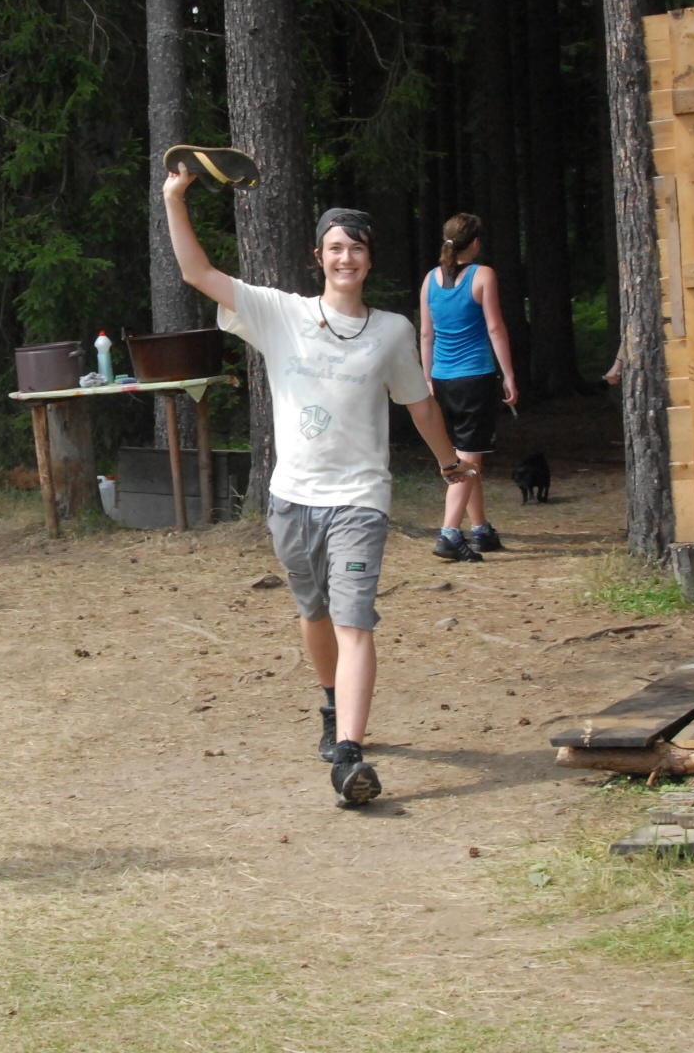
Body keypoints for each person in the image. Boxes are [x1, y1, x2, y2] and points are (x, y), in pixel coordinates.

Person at [162, 164, 474, 808]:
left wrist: (449, 463)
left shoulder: (392, 331)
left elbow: (419, 404)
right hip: (292, 499)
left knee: (355, 620)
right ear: (319, 257)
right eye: (335, 247)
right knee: (316, 613)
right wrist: (174, 196)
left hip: (360, 499)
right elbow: (197, 273)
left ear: (369, 259)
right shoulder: (280, 314)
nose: (346, 257)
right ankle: (332, 706)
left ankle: (351, 755)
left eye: (356, 247)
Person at [417, 213, 519, 563]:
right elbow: (495, 328)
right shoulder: (483, 275)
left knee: (466, 454)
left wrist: (427, 378)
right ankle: (449, 534)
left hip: (442, 380)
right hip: (475, 378)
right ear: (475, 243)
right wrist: (509, 374)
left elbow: (426, 333)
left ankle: (481, 529)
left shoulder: (430, 280)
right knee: (469, 460)